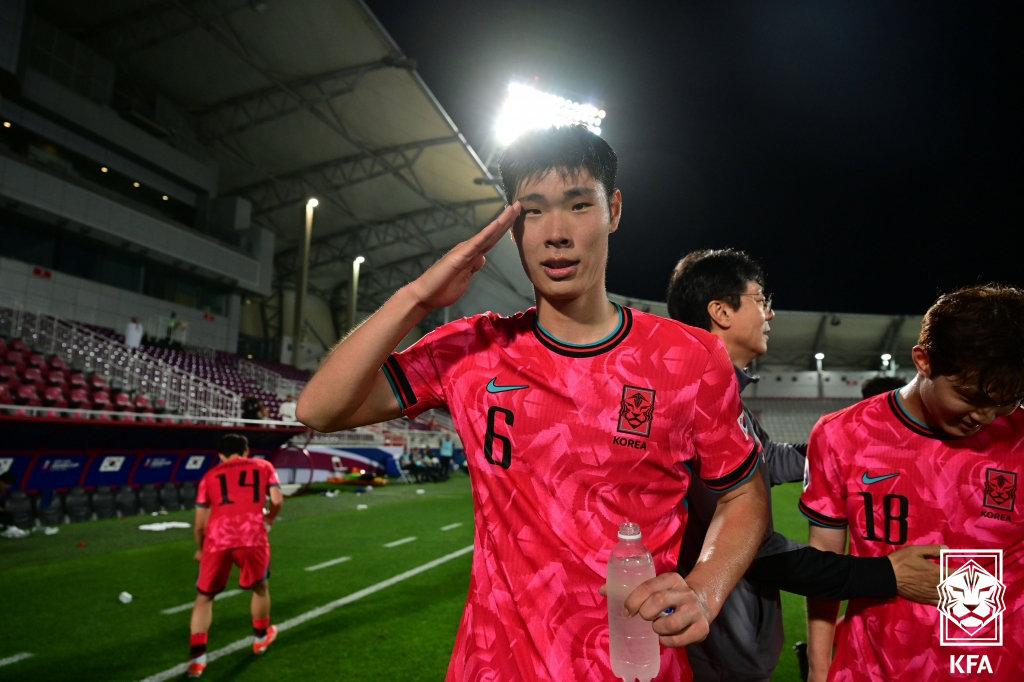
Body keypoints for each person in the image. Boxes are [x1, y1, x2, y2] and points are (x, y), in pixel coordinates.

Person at [296, 124, 768, 681]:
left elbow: (744, 494)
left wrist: (705, 589)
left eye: (577, 205)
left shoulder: (687, 357)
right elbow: (318, 410)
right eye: (534, 212)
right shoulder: (471, 351)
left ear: (613, 209)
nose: (557, 233)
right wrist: (418, 296)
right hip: (492, 666)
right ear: (511, 226)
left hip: (635, 667)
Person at [667, 248, 942, 681]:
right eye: (760, 299)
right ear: (720, 311)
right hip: (711, 640)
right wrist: (884, 574)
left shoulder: (725, 398)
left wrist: (846, 442)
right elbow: (754, 549)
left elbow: (767, 459)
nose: (770, 313)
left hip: (733, 638)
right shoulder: (691, 403)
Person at [801, 284, 1024, 681]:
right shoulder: (842, 435)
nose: (986, 417)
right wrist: (819, 671)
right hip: (873, 666)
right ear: (923, 360)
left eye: (1005, 402)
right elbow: (825, 568)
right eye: (970, 396)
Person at [186, 433, 283, 678]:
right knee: (260, 588)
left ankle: (198, 660)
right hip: (252, 536)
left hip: (217, 539)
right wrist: (269, 518)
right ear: (246, 450)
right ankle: (260, 640)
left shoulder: (209, 477)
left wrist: (200, 548)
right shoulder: (264, 467)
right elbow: (277, 499)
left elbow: (198, 525)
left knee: (204, 598)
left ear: (220, 454)